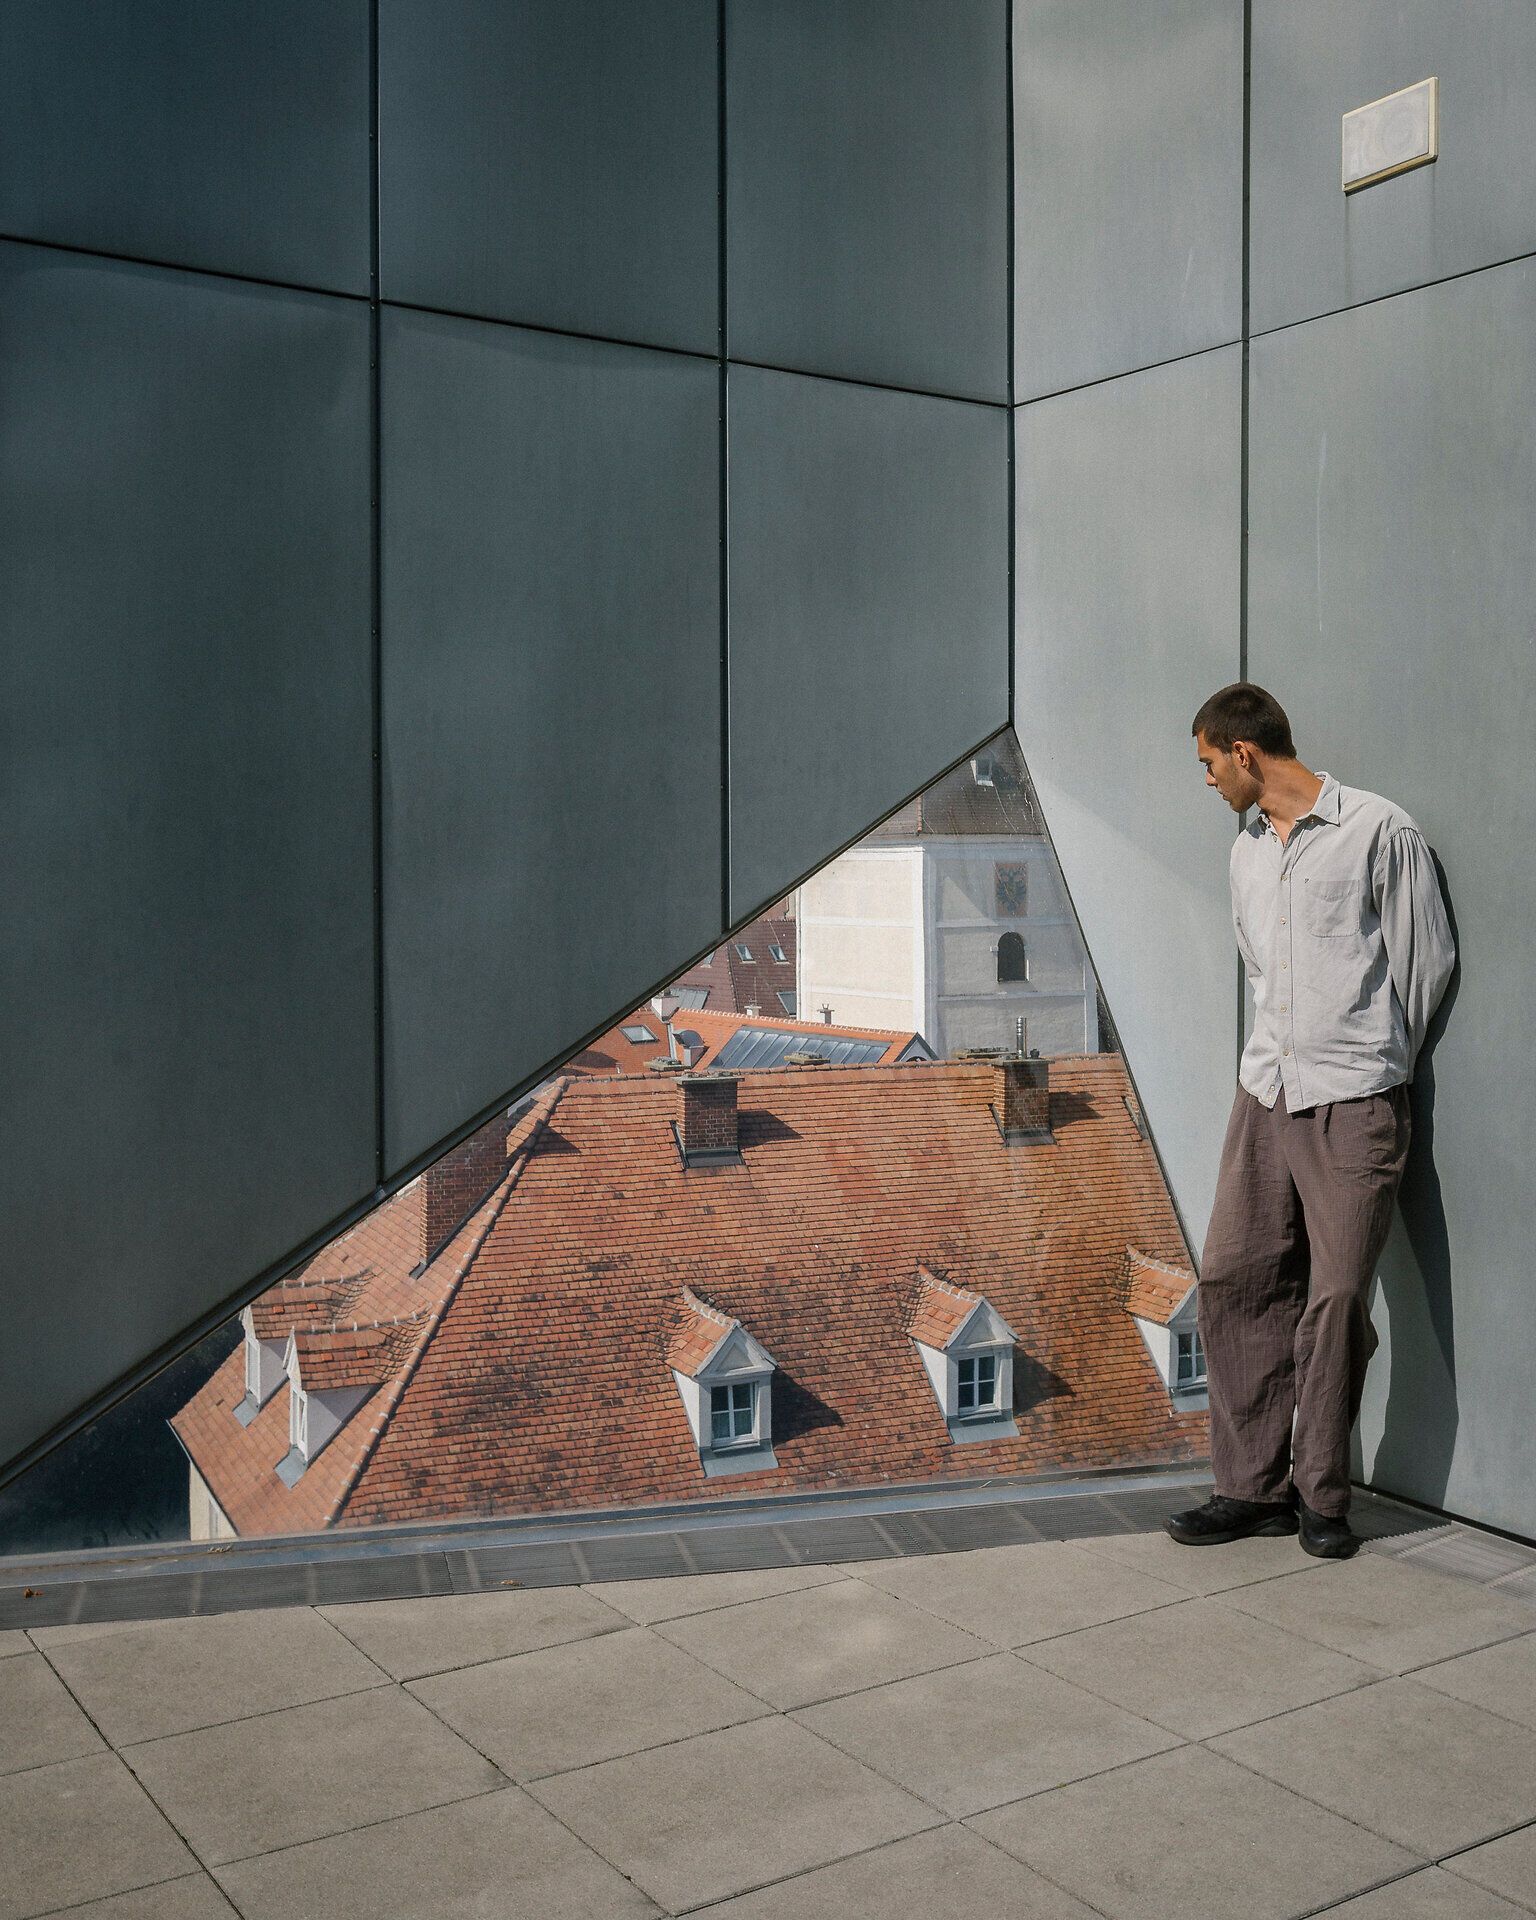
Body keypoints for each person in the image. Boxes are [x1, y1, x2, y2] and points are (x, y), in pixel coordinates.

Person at [1168, 683, 1454, 1559]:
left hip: (1355, 1101)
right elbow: (1260, 972)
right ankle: (1249, 1489)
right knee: (1236, 1279)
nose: (1207, 781)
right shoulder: (1245, 854)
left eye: (1209, 763)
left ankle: (1320, 1496)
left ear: (1244, 752)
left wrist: (1369, 1058)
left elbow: (1424, 967)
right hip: (1265, 1097)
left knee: (1334, 1302)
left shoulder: (1379, 830)